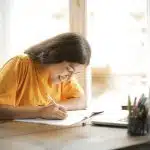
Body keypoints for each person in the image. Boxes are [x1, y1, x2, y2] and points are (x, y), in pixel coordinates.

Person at [0, 32, 91, 120]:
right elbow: (2, 110)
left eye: (75, 73)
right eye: (69, 69)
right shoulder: (19, 64)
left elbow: (81, 101)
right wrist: (40, 111)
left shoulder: (65, 76)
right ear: (54, 55)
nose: (70, 77)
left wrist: (56, 108)